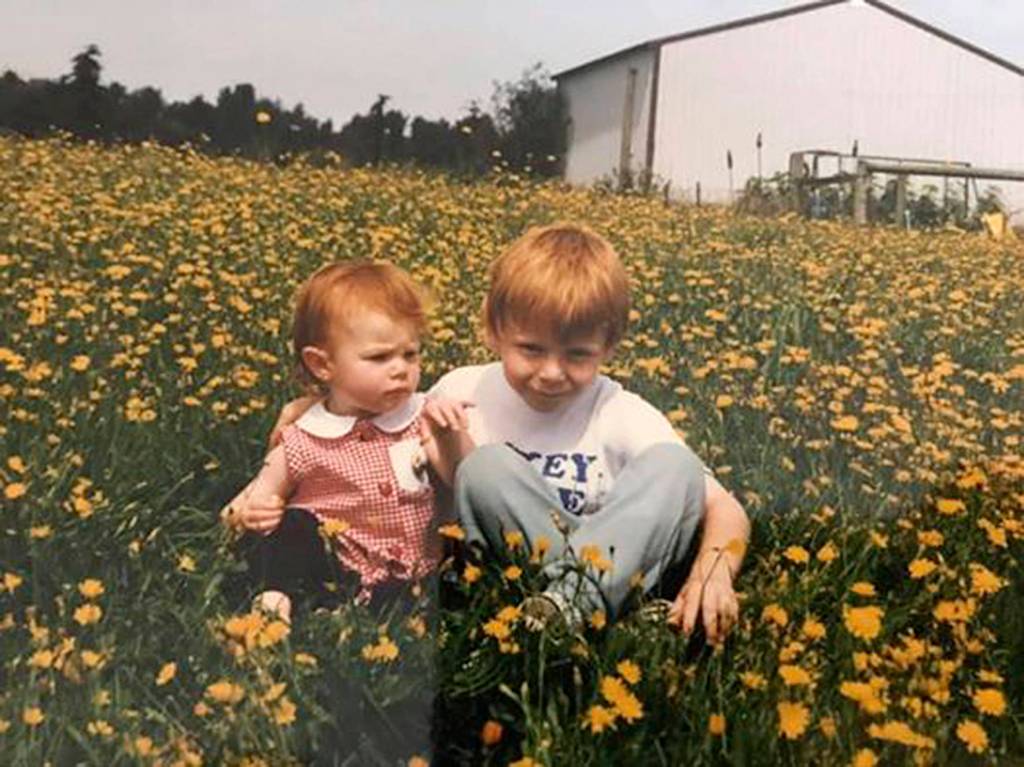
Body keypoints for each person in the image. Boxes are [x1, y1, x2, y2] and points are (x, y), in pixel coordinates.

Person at [262, 223, 749, 644]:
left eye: (578, 354)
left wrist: (714, 571)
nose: (552, 372)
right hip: (519, 572)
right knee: (486, 466)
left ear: (610, 346)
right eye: (531, 349)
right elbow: (380, 416)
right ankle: (603, 612)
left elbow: (726, 509)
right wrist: (317, 407)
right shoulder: (461, 391)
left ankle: (569, 607)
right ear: (493, 330)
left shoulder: (620, 412)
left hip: (585, 576)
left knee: (674, 465)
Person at [221, 261, 471, 623]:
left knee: (469, 544)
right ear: (323, 365)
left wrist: (449, 436)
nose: (401, 368)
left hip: (420, 566)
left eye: (411, 354)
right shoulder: (304, 436)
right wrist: (253, 513)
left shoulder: (422, 417)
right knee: (294, 527)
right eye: (379, 357)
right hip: (336, 570)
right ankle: (273, 603)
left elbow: (457, 479)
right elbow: (254, 500)